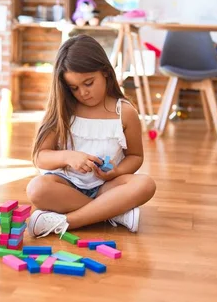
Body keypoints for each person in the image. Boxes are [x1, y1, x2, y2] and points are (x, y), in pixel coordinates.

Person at [26, 34, 156, 238]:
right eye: (74, 88)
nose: (83, 93)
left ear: (105, 72)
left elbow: (135, 157)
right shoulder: (62, 109)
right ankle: (112, 213)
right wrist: (69, 157)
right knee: (37, 189)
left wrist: (116, 172)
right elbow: (40, 156)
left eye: (89, 83)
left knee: (146, 184)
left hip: (106, 187)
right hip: (66, 185)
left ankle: (68, 222)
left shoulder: (125, 112)